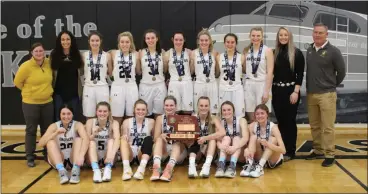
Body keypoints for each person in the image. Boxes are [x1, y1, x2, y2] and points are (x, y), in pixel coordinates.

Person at [305, 23, 346, 167]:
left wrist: (331, 85)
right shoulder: (309, 50)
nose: (317, 35)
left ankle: (330, 154)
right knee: (315, 125)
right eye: (315, 32)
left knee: (327, 127)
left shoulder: (334, 51)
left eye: (320, 33)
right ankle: (318, 150)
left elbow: (341, 72)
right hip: (311, 94)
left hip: (327, 94)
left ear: (326, 34)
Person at [14, 42, 54, 167]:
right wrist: (30, 93)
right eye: (36, 51)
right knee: (31, 130)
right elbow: (17, 83)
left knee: (47, 130)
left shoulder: (48, 63)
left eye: (41, 51)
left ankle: (47, 154)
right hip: (30, 104)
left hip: (47, 102)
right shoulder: (26, 66)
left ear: (44, 52)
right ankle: (30, 156)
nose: (38, 53)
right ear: (32, 53)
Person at [272, 27, 305, 162]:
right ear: (278, 37)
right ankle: (282, 149)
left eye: (286, 35)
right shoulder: (275, 53)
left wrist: (296, 91)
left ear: (289, 36)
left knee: (289, 121)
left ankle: (291, 151)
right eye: (281, 35)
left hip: (291, 91)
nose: (283, 37)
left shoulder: (297, 53)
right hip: (277, 91)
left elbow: (300, 74)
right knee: (280, 122)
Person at [37, 104, 89, 184]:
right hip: (59, 160)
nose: (66, 116)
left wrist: (81, 156)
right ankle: (62, 172)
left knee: (79, 139)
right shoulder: (54, 126)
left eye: (68, 114)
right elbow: (40, 144)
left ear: (72, 114)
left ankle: (75, 171)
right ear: (59, 115)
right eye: (63, 114)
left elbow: (86, 139)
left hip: (74, 159)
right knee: (50, 142)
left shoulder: (78, 125)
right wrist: (55, 133)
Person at [240, 104, 286, 178]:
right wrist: (246, 149)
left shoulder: (274, 127)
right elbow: (248, 144)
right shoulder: (252, 126)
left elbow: (283, 150)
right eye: (257, 114)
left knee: (273, 139)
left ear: (267, 114)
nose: (260, 116)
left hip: (272, 159)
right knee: (253, 137)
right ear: (255, 115)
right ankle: (250, 164)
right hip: (258, 156)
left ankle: (260, 167)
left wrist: (268, 144)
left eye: (262, 113)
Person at [150, 96, 188, 181]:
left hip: (177, 151)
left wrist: (180, 137)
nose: (169, 107)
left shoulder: (182, 119)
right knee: (159, 139)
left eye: (171, 105)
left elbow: (186, 141)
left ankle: (169, 169)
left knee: (177, 143)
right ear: (163, 106)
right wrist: (161, 135)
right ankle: (157, 169)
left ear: (176, 106)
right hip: (163, 150)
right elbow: (155, 138)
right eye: (166, 105)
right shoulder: (159, 118)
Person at [187, 96, 226, 178]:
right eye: (201, 106)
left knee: (212, 140)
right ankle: (191, 166)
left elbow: (222, 132)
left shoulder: (213, 118)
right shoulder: (192, 118)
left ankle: (207, 166)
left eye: (206, 106)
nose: (203, 108)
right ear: (197, 106)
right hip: (196, 148)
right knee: (194, 138)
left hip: (209, 148)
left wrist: (206, 138)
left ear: (209, 106)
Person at [50, 30, 84, 122]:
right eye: (63, 39)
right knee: (58, 118)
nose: (65, 42)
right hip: (58, 93)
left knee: (74, 119)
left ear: (71, 40)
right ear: (59, 41)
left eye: (68, 39)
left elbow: (82, 73)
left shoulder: (78, 54)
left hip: (74, 93)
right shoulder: (54, 55)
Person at [243, 27, 274, 122]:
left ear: (262, 37)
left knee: (262, 115)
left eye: (258, 36)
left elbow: (270, 72)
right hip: (249, 84)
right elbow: (244, 69)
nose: (255, 38)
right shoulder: (246, 50)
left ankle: (263, 136)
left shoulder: (267, 51)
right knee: (251, 115)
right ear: (249, 36)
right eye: (253, 35)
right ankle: (254, 135)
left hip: (262, 84)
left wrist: (266, 91)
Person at [110, 32, 141, 125]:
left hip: (131, 86)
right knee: (116, 115)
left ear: (131, 43)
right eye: (122, 42)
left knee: (131, 114)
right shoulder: (113, 53)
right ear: (119, 43)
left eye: (127, 42)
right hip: (117, 86)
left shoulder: (136, 54)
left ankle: (128, 136)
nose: (124, 44)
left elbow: (138, 71)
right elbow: (110, 72)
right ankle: (116, 135)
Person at [120, 99, 155, 180]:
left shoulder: (151, 122)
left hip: (143, 152)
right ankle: (126, 169)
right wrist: (123, 136)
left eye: (143, 110)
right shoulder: (126, 122)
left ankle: (141, 169)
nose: (140, 112)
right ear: (134, 110)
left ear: (147, 111)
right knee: (122, 139)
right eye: (138, 109)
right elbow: (124, 138)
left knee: (149, 139)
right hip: (130, 153)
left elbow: (155, 139)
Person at [85, 101, 120, 183]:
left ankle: (108, 169)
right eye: (100, 111)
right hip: (93, 157)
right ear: (96, 112)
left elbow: (117, 139)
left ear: (109, 112)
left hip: (108, 157)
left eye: (105, 111)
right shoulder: (90, 122)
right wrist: (93, 134)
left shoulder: (114, 123)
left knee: (111, 140)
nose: (102, 113)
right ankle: (96, 171)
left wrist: (111, 156)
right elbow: (85, 142)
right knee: (91, 142)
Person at [82, 30, 112, 119]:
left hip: (102, 87)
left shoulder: (107, 55)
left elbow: (110, 72)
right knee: (89, 114)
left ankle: (104, 133)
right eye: (92, 40)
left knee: (104, 114)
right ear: (89, 41)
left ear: (100, 41)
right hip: (89, 87)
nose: (95, 43)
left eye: (97, 40)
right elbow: (81, 72)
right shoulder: (84, 55)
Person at [215, 101, 249, 178]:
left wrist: (235, 147)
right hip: (225, 152)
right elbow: (218, 141)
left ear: (233, 110)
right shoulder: (220, 123)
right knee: (226, 138)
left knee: (236, 138)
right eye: (224, 110)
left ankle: (232, 167)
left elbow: (245, 138)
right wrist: (221, 147)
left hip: (239, 153)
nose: (226, 112)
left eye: (229, 110)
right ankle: (220, 166)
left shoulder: (241, 120)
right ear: (221, 112)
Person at [138, 29, 166, 118]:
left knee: (159, 114)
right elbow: (138, 71)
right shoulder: (140, 53)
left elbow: (165, 70)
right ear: (145, 40)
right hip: (145, 85)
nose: (150, 40)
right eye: (148, 38)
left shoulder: (163, 52)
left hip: (159, 85)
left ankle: (158, 131)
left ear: (157, 39)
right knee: (144, 113)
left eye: (153, 38)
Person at [164, 32, 194, 114]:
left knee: (188, 109)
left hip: (186, 81)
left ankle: (187, 126)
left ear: (184, 40)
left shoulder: (189, 53)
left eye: (180, 40)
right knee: (174, 109)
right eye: (176, 40)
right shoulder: (167, 54)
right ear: (172, 40)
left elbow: (191, 70)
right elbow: (165, 70)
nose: (178, 42)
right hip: (174, 82)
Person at [190, 29, 219, 115]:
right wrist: (191, 62)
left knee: (213, 111)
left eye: (206, 40)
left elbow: (217, 72)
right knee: (198, 110)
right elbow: (191, 71)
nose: (204, 42)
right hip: (199, 84)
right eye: (202, 40)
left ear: (210, 41)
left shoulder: (215, 53)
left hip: (212, 84)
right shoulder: (193, 53)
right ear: (198, 41)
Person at [216, 33, 246, 117]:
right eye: (227, 42)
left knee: (238, 115)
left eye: (232, 42)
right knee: (224, 115)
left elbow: (245, 73)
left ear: (236, 43)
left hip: (237, 89)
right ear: (224, 43)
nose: (230, 44)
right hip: (223, 89)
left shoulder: (242, 57)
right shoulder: (219, 57)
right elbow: (217, 74)